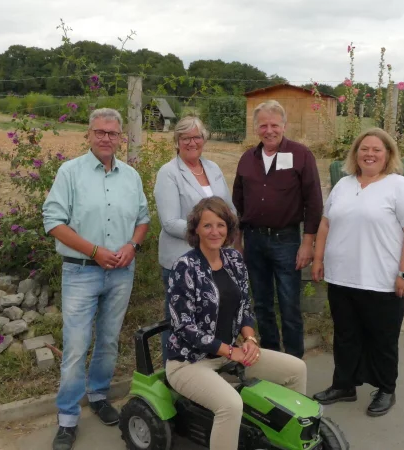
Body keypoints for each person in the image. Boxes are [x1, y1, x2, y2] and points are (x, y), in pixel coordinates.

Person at [42, 108, 150, 450]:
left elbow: (143, 219)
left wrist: (133, 245)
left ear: (121, 137)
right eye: (100, 132)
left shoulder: (131, 176)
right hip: (81, 272)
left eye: (112, 133)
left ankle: (99, 395)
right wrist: (94, 252)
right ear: (88, 134)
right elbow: (53, 221)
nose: (106, 138)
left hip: (121, 272)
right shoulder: (70, 172)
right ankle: (68, 418)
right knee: (75, 347)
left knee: (108, 340)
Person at [166, 197, 308, 450]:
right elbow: (184, 327)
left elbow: (244, 306)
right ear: (196, 229)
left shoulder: (233, 259)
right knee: (230, 405)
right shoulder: (184, 267)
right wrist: (233, 352)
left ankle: (285, 442)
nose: (215, 232)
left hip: (232, 353)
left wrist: (250, 339)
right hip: (189, 362)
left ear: (229, 229)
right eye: (207, 225)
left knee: (296, 369)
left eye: (221, 225)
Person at [311, 128, 404, 417]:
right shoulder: (343, 185)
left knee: (382, 339)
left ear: (388, 154)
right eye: (364, 149)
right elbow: (325, 224)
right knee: (346, 335)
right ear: (355, 153)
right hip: (341, 277)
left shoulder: (400, 186)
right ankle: (344, 385)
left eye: (377, 149)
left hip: (382, 281)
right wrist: (318, 258)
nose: (370, 154)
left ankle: (386, 389)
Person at [232, 100, 323, 358]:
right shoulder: (247, 159)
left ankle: (294, 361)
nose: (269, 130)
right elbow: (238, 203)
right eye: (263, 125)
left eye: (274, 124)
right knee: (261, 304)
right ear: (256, 129)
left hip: (287, 241)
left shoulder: (300, 155)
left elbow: (314, 202)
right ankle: (271, 358)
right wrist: (238, 242)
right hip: (254, 241)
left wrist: (307, 243)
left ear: (284, 125)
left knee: (289, 304)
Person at [153, 116, 235, 363]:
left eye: (197, 136)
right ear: (176, 141)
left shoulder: (213, 169)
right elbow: (169, 222)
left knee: (209, 321)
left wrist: (229, 229)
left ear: (204, 140)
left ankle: (204, 377)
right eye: (185, 137)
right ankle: (174, 374)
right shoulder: (168, 173)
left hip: (213, 261)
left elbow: (228, 209)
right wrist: (207, 234)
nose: (192, 142)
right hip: (181, 262)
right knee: (179, 324)